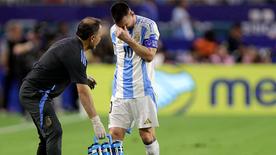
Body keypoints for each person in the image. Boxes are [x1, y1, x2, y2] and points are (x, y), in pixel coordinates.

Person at [19, 17, 106, 155]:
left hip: (35, 92)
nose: (101, 39)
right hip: (35, 94)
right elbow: (83, 92)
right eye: (100, 36)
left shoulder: (69, 44)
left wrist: (83, 77)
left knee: (46, 136)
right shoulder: (76, 55)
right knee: (54, 132)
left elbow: (59, 67)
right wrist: (96, 121)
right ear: (93, 38)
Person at [109, 2, 160, 155]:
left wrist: (128, 40)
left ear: (131, 13)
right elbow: (120, 59)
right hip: (120, 91)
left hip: (142, 90)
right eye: (120, 26)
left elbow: (150, 56)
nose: (123, 29)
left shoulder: (148, 26)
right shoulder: (114, 31)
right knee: (115, 134)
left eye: (126, 24)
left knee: (146, 135)